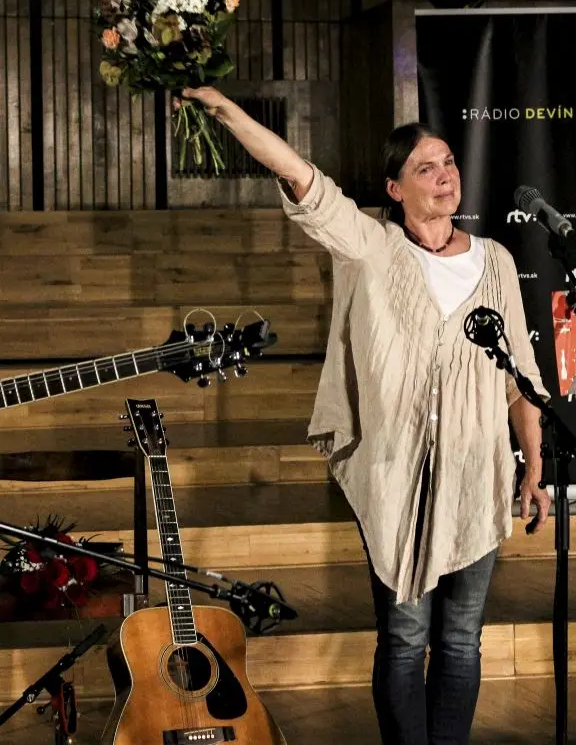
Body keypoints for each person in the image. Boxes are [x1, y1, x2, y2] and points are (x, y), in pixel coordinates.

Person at [183, 86, 554, 745]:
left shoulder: (495, 260)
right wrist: (226, 111)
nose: (444, 174)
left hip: (478, 471)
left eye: (448, 162)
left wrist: (533, 466)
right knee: (406, 636)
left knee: (461, 638)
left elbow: (521, 378)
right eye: (425, 167)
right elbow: (302, 177)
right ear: (394, 187)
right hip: (395, 475)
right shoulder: (370, 246)